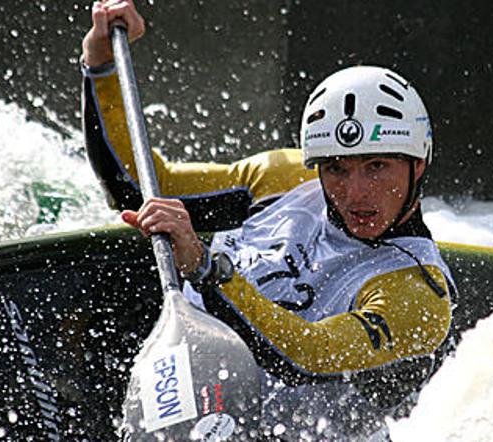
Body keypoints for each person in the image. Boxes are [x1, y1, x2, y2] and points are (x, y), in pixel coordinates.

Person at [81, 1, 457, 439]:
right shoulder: (282, 178)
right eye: (336, 168)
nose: (355, 193)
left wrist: (205, 266)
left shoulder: (418, 294)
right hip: (172, 382)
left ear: (419, 163)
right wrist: (101, 65)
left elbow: (307, 355)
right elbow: (140, 183)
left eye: (376, 167)